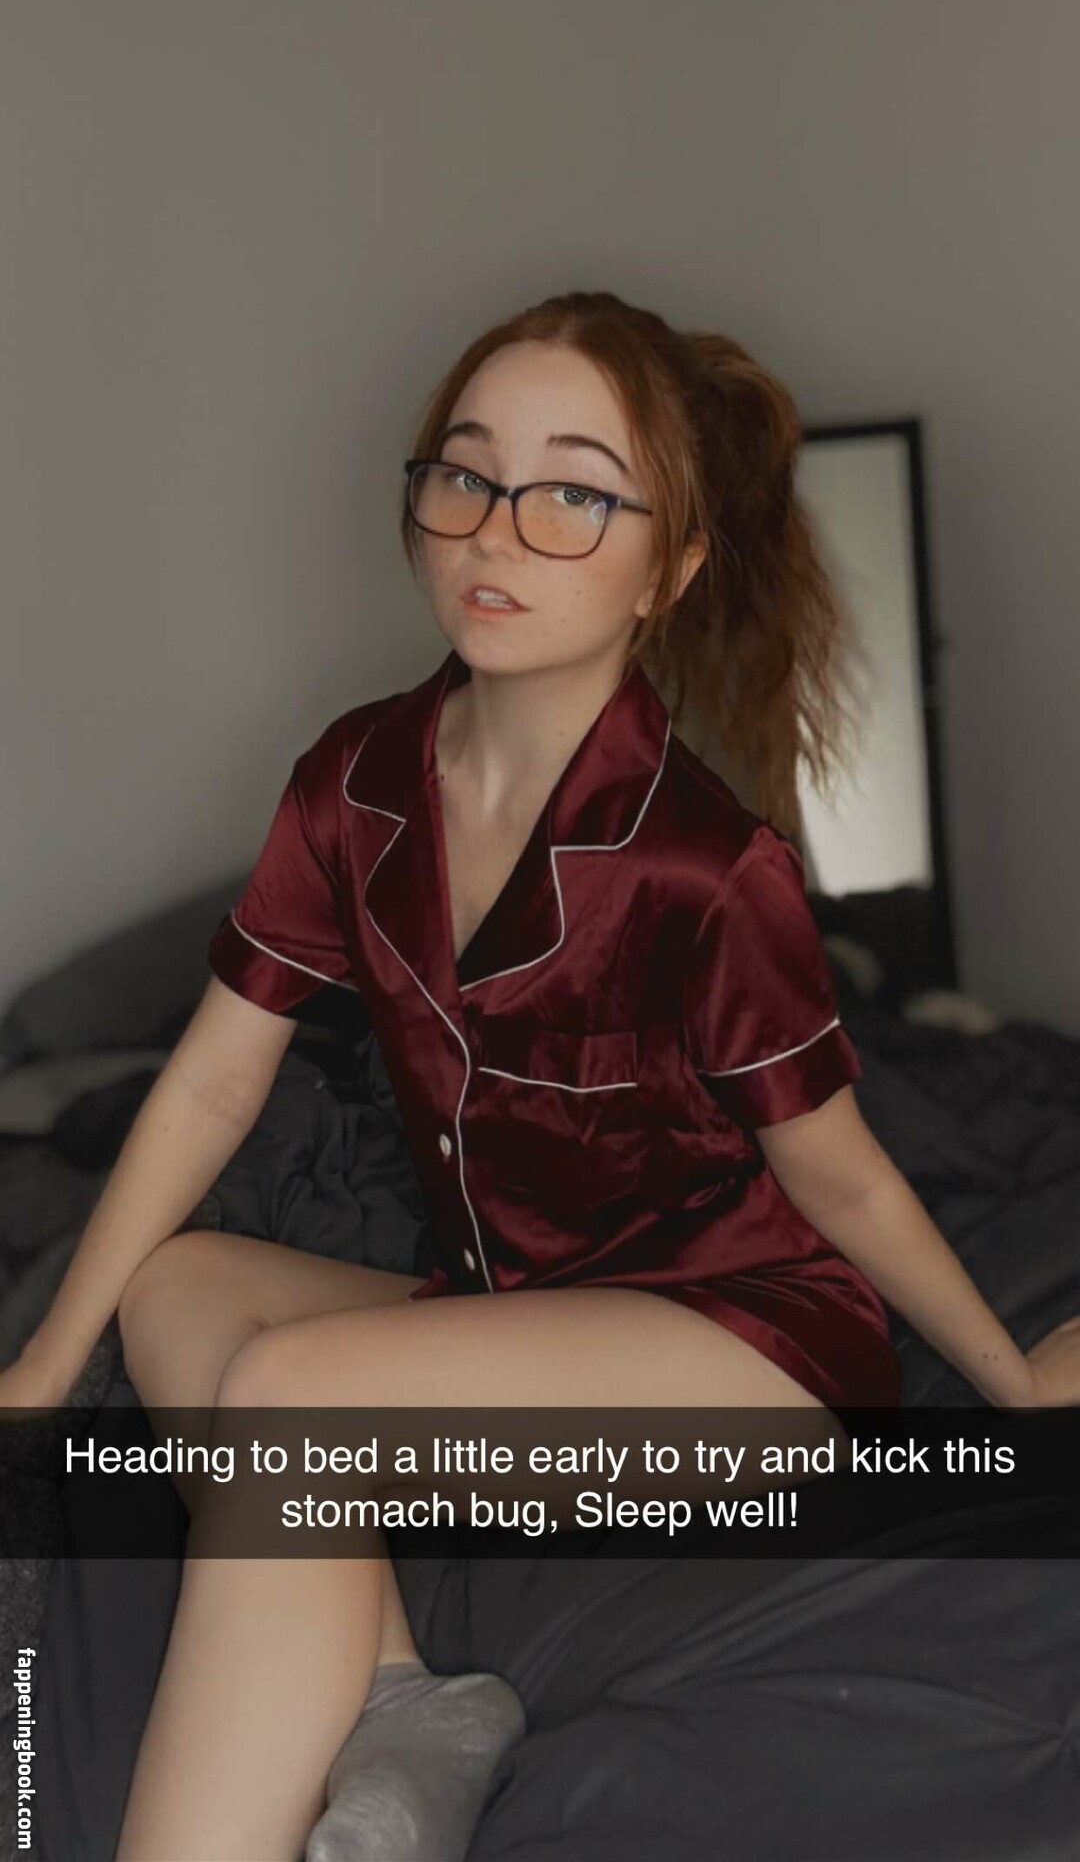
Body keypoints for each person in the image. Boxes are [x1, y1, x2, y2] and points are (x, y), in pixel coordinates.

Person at [4, 287, 1080, 1861]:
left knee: (289, 1398)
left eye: (576, 494)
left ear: (673, 568)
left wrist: (1009, 1387)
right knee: (173, 1292)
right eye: (468, 473)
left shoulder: (709, 864)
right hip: (516, 1305)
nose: (499, 531)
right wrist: (43, 1371)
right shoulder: (353, 782)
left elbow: (836, 1173)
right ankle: (406, 1694)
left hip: (743, 1348)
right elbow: (212, 1086)